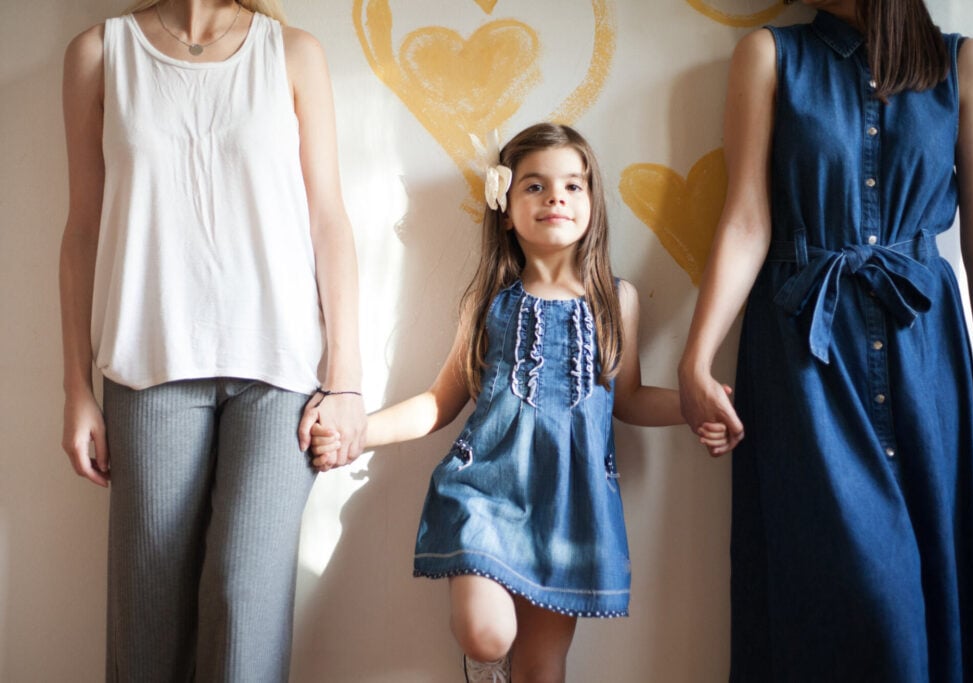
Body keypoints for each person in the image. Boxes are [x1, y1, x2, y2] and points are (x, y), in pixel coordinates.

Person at [311, 123, 727, 682]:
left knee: (541, 669)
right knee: (490, 634)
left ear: (592, 203)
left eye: (573, 186)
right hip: (486, 493)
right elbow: (440, 401)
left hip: (570, 507)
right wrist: (357, 431)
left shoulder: (615, 299)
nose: (555, 196)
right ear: (505, 208)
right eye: (534, 186)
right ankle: (482, 666)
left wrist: (697, 404)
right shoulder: (488, 302)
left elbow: (626, 399)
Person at [677, 0, 973, 680]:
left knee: (929, 596)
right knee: (845, 599)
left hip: (927, 360)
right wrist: (696, 356)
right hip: (805, 359)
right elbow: (747, 218)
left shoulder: (967, 64)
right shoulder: (769, 56)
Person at [59, 1, 366, 680]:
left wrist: (346, 378)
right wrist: (76, 386)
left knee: (241, 600)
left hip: (281, 372)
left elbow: (329, 220)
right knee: (148, 620)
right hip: (148, 364)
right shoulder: (99, 54)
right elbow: (82, 228)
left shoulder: (291, 52)